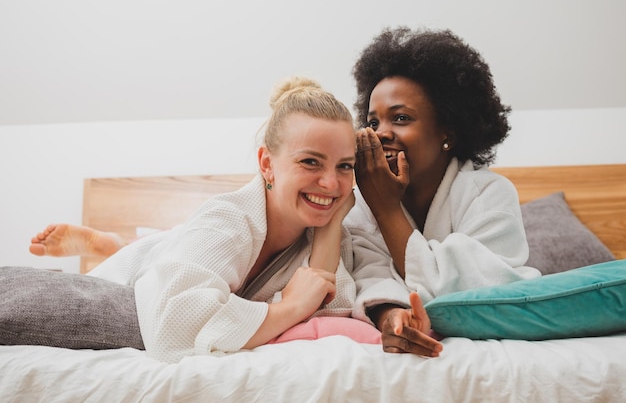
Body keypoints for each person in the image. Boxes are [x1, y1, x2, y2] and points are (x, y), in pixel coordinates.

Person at [31, 76, 358, 364]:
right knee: (169, 249)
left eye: (345, 166)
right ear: (266, 163)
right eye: (311, 162)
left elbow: (334, 305)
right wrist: (286, 308)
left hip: (183, 249)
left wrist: (333, 220)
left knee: (174, 241)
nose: (331, 183)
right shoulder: (228, 218)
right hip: (128, 281)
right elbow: (173, 327)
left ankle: (118, 244)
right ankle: (120, 250)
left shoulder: (326, 234)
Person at [344, 26, 541, 356]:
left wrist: (388, 210)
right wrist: (393, 316)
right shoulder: (361, 201)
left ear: (447, 133)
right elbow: (368, 274)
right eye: (373, 122)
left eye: (401, 117)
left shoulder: (489, 193)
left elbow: (476, 287)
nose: (381, 134)